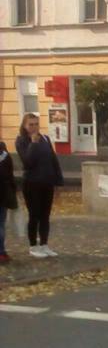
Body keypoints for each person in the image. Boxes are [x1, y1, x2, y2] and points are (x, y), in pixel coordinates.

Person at [15, 113, 64, 258]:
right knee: (34, 215)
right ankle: (33, 246)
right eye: (30, 124)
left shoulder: (46, 139)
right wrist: (33, 144)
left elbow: (53, 161)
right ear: (24, 126)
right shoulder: (21, 141)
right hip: (32, 183)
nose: (34, 127)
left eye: (36, 124)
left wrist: (58, 182)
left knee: (45, 216)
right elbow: (28, 162)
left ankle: (44, 244)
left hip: (47, 182)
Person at [0, 139, 18, 264]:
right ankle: (1, 252)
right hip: (3, 194)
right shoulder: (5, 155)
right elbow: (10, 176)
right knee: (0, 223)